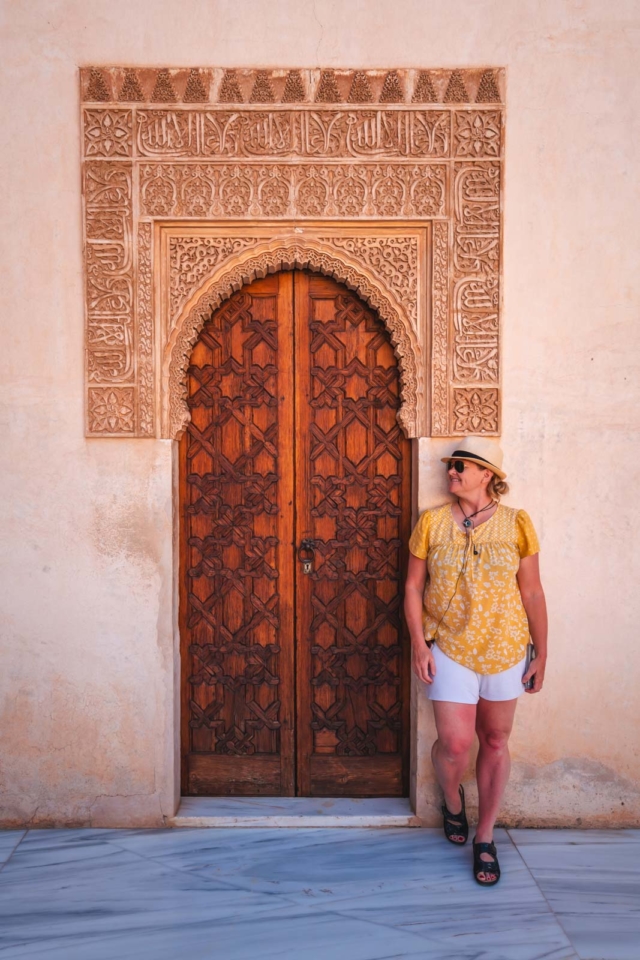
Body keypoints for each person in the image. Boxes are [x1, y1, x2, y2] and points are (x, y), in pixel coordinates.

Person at [404, 437, 547, 886]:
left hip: (504, 648)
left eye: (461, 466)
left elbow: (532, 592)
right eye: (451, 465)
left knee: (496, 740)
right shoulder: (431, 523)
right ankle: (451, 800)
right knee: (456, 743)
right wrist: (419, 644)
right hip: (448, 648)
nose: (452, 472)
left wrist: (542, 652)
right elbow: (412, 588)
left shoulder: (516, 523)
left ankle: (485, 836)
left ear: (487, 475)